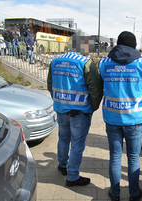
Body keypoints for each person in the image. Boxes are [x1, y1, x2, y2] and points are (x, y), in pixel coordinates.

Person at [99, 31, 142, 201]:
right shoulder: (141, 62)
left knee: (115, 157)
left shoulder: (104, 62)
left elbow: (101, 86)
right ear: (134, 45)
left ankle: (115, 194)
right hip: (135, 119)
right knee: (133, 158)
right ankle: (134, 194)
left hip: (112, 117)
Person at [47, 51, 103, 187]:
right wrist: (92, 108)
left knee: (63, 139)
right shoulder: (85, 63)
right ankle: (72, 177)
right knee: (77, 144)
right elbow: (95, 89)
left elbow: (50, 85)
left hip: (61, 110)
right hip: (80, 112)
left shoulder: (55, 61)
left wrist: (59, 101)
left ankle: (62, 165)